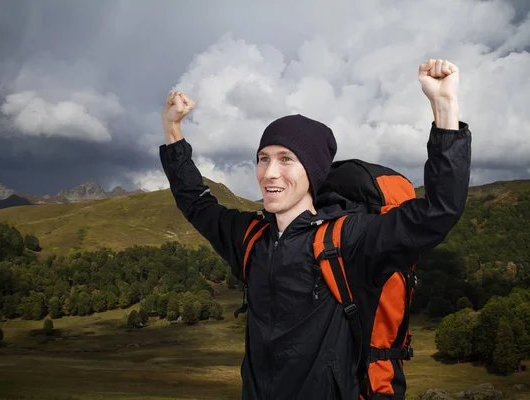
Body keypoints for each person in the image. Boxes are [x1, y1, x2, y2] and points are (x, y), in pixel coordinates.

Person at [159, 59, 471, 400]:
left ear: (313, 172)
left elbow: (438, 212)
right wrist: (173, 132)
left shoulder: (350, 241)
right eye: (263, 158)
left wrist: (444, 108)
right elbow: (196, 203)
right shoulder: (250, 238)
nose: (270, 173)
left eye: (286, 159)